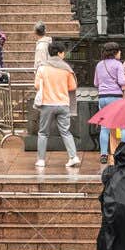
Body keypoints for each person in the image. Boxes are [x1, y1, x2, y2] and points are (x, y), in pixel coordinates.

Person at [34, 40, 81, 171]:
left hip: (47, 104)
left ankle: (41, 160)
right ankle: (73, 157)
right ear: (60, 53)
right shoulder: (66, 69)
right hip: (63, 104)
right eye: (63, 52)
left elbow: (36, 85)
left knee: (43, 132)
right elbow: (73, 86)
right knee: (65, 132)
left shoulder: (42, 67)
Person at [93, 39, 125, 162]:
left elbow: (96, 83)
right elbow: (122, 82)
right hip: (115, 97)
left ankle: (103, 155)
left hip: (102, 97)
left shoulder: (99, 65)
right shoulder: (118, 65)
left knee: (104, 127)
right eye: (119, 51)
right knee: (123, 126)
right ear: (115, 52)